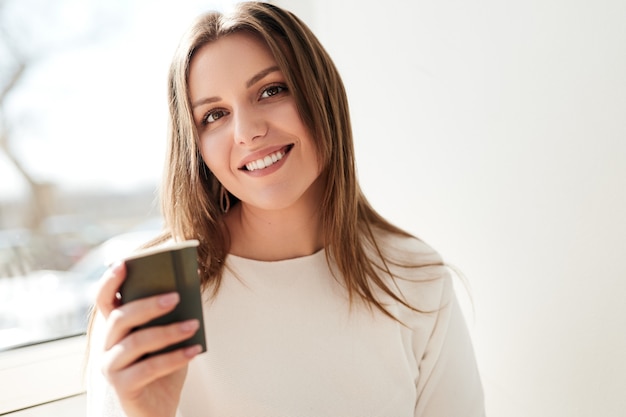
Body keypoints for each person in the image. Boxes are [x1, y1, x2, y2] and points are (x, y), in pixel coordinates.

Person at [86, 2, 485, 416]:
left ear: (321, 94)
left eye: (271, 90)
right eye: (215, 115)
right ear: (196, 146)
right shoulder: (152, 301)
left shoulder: (414, 278)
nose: (247, 132)